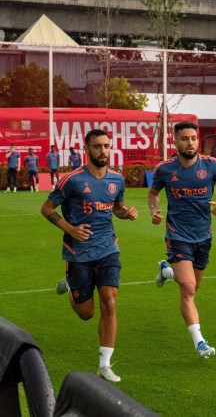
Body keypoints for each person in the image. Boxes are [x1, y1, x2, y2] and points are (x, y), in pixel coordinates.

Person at [41, 129, 138, 383]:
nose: (103, 151)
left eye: (106, 146)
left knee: (110, 301)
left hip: (108, 249)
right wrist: (70, 229)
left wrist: (125, 213)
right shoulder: (71, 180)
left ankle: (104, 365)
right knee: (86, 314)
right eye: (97, 146)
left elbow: (116, 207)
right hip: (78, 253)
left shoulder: (117, 179)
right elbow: (47, 208)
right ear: (87, 148)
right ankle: (71, 282)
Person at [149, 121, 216, 359]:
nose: (190, 143)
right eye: (184, 138)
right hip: (177, 235)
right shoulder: (165, 169)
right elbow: (153, 193)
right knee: (187, 288)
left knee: (193, 286)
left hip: (203, 236)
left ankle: (166, 271)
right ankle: (200, 342)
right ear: (175, 141)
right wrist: (154, 211)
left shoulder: (212, 165)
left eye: (193, 138)